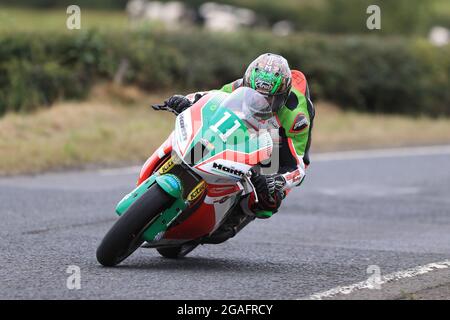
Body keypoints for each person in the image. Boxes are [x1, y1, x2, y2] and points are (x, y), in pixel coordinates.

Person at [161, 53, 315, 241]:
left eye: (270, 99)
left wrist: (278, 180)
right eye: (255, 95)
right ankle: (181, 165)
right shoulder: (241, 85)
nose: (261, 103)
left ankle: (235, 216)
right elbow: (210, 98)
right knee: (207, 134)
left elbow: (298, 167)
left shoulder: (297, 118)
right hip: (244, 120)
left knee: (268, 197)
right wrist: (185, 100)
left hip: (278, 137)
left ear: (283, 96)